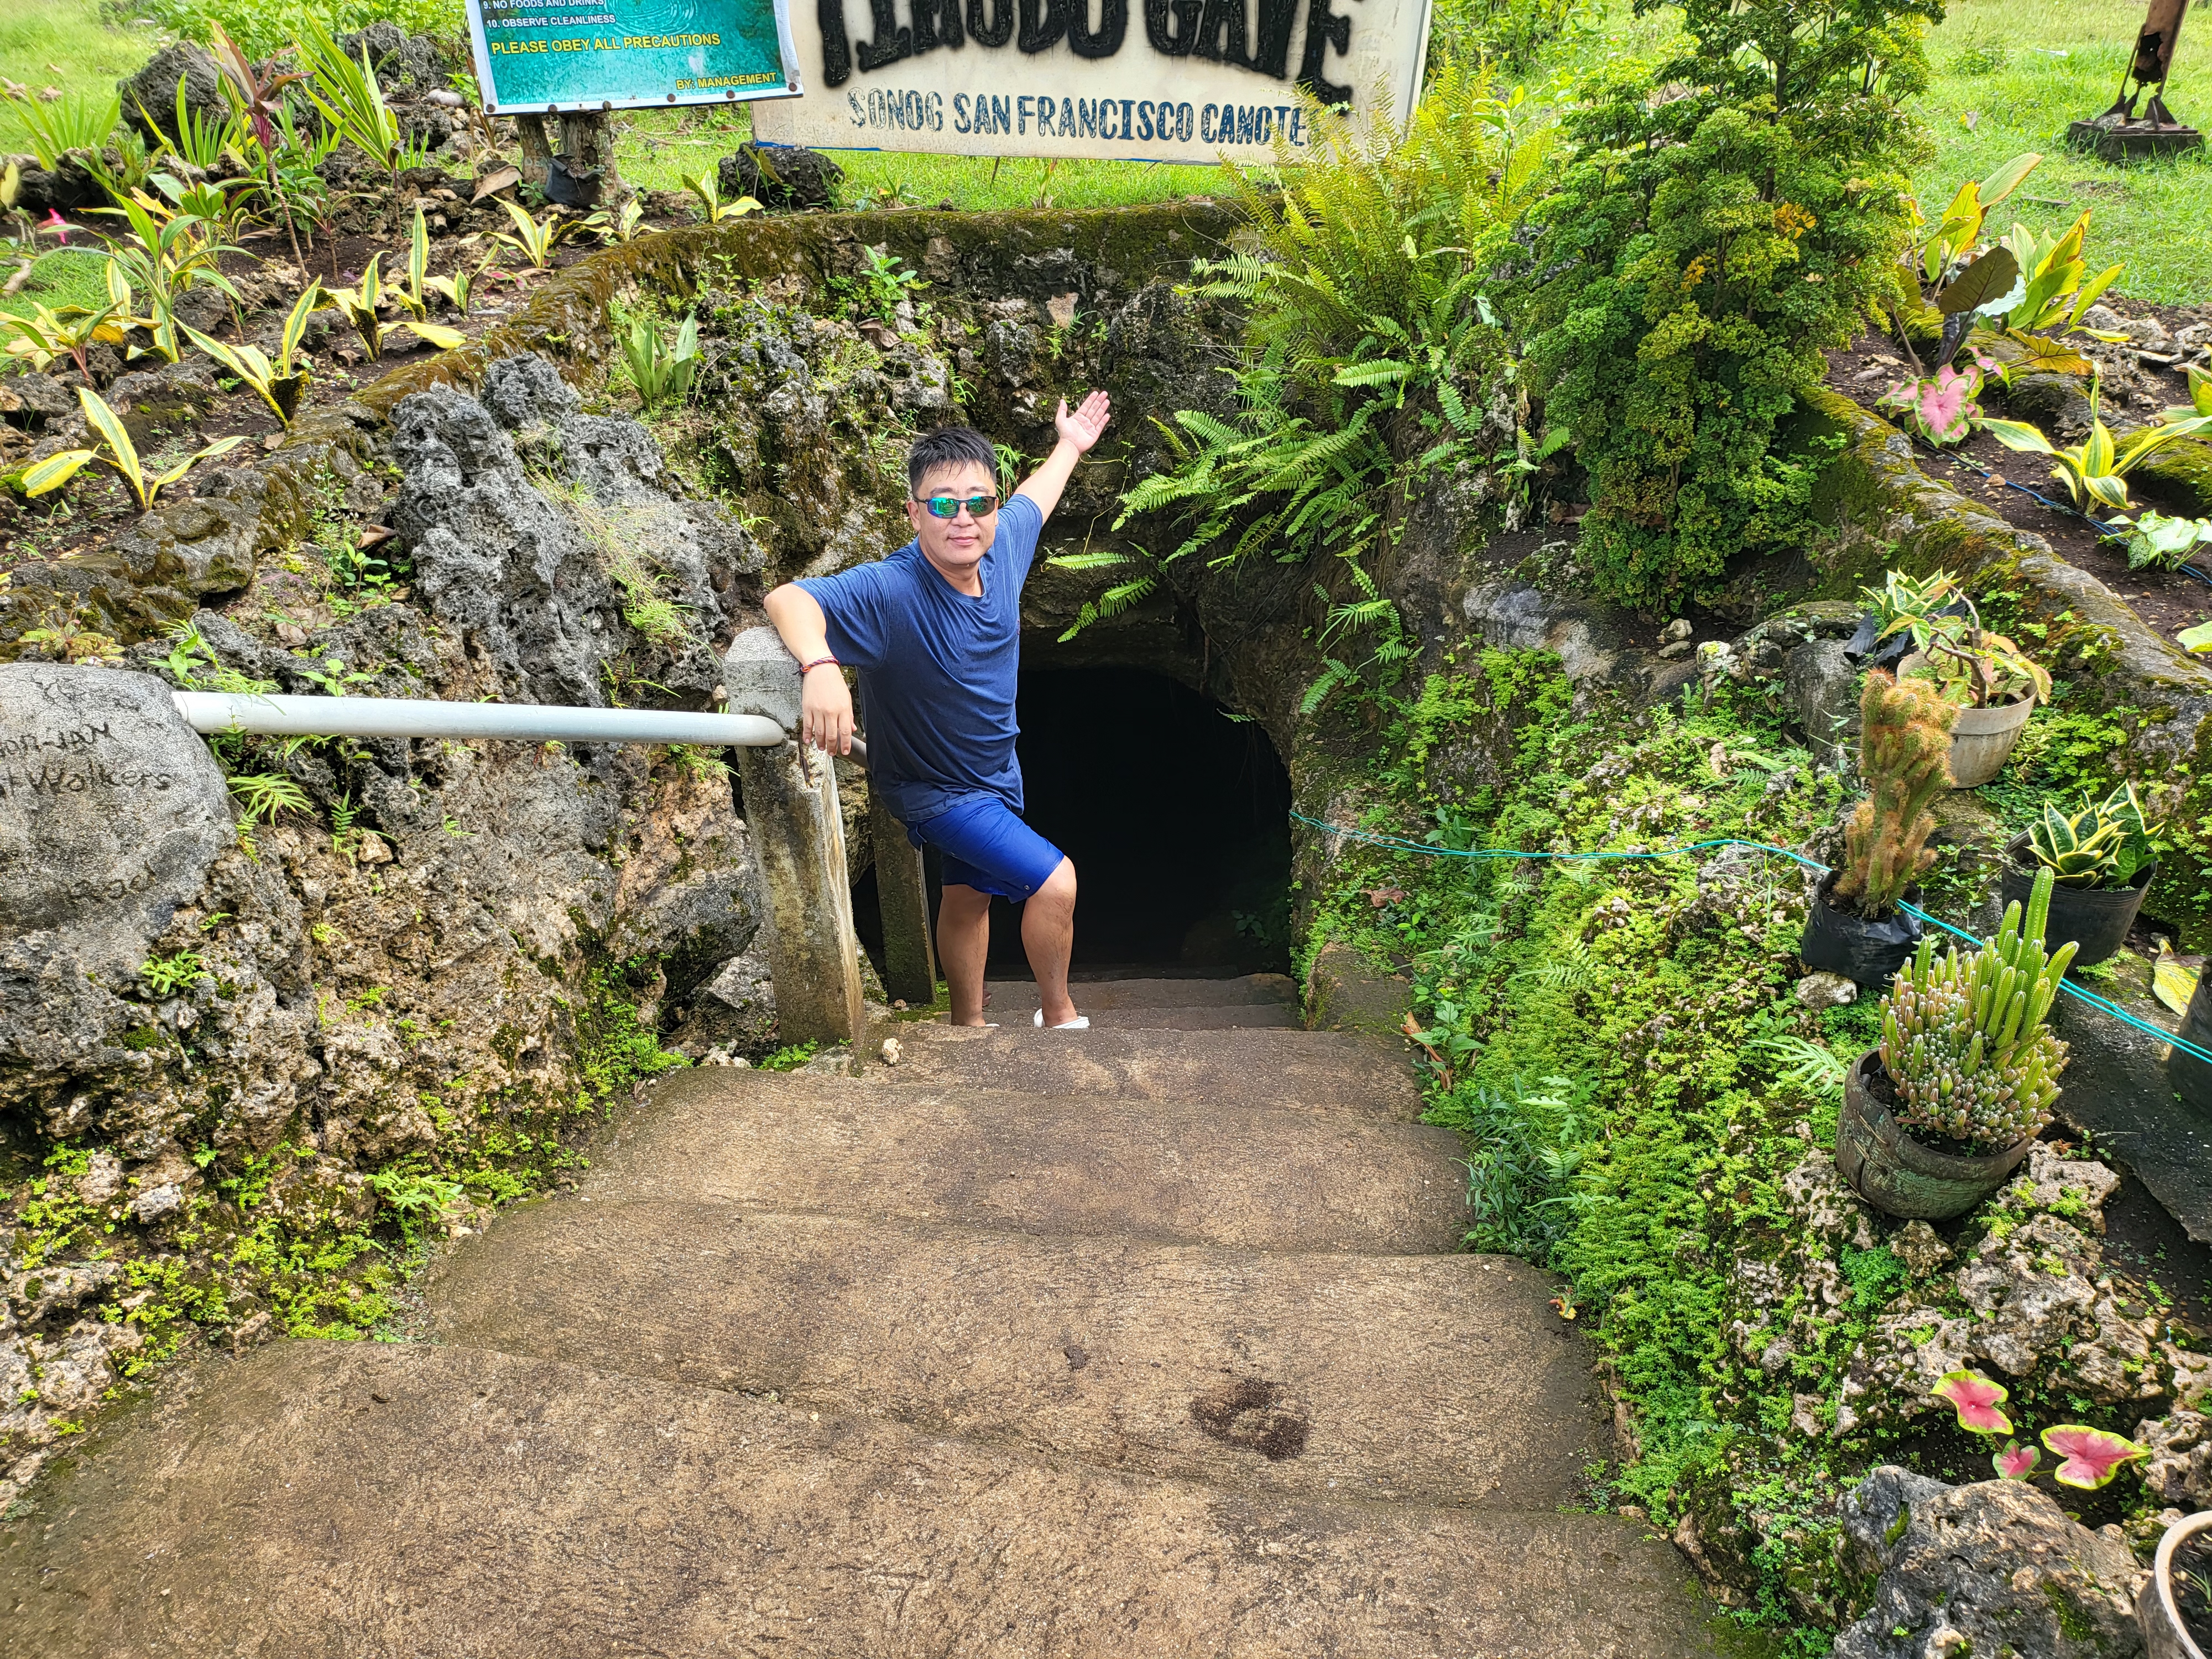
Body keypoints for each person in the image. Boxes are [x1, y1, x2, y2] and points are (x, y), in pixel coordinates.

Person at [761, 393, 1112, 1030]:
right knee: (1055, 882)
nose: (963, 519)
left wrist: (1071, 446)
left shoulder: (1002, 549)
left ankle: (966, 1025)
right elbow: (788, 599)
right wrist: (821, 667)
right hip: (932, 788)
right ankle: (1059, 1018)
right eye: (943, 505)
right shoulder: (890, 589)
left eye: (978, 503)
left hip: (995, 772)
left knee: (967, 897)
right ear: (913, 512)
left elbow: (1039, 496)